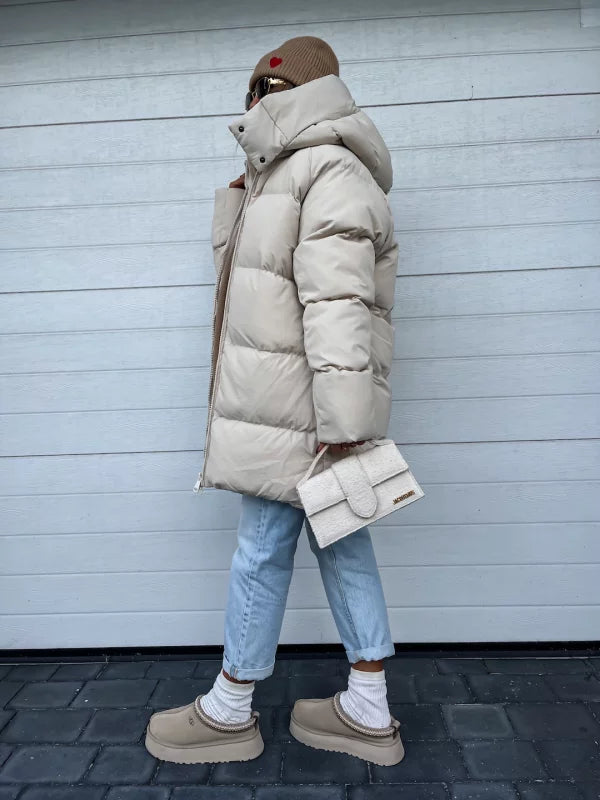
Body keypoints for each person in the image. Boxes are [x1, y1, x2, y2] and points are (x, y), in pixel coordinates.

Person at [145, 35, 403, 767]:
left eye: (270, 88)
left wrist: (344, 423)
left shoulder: (327, 171)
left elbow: (338, 303)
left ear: (303, 94)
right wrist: (240, 195)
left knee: (261, 552)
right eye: (256, 88)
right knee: (343, 541)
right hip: (299, 404)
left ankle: (230, 709)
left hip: (299, 413)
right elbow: (252, 288)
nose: (256, 101)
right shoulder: (289, 173)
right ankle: (367, 706)